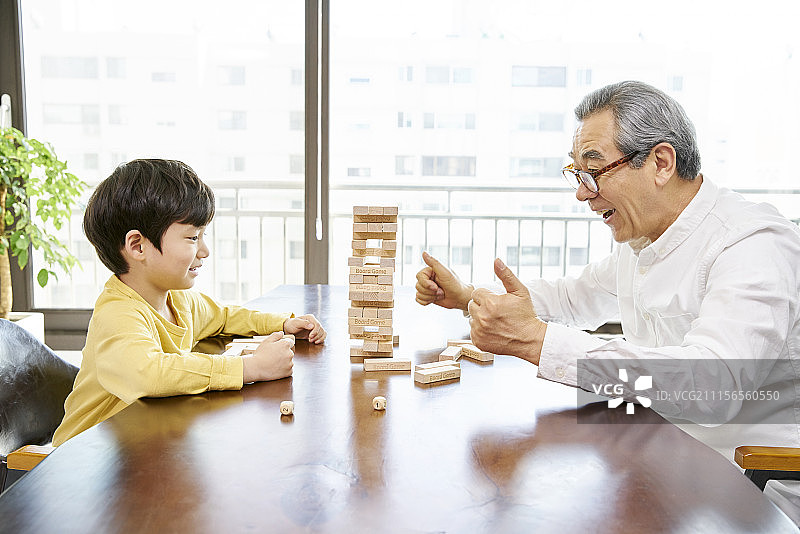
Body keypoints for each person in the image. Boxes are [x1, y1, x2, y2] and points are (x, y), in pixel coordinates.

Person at [416, 81, 800, 523]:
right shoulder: (644, 241)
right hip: (663, 455)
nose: (582, 192)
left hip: (747, 492)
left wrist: (538, 343)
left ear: (660, 162)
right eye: (576, 174)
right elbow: (571, 297)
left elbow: (713, 389)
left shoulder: (751, 244)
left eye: (593, 171)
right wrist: (467, 296)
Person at [53, 159, 326, 446]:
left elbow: (223, 317)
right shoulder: (117, 313)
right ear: (137, 246)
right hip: (82, 462)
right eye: (193, 237)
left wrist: (283, 323)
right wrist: (251, 368)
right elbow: (150, 374)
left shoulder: (177, 301)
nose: (205, 251)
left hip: (140, 447)